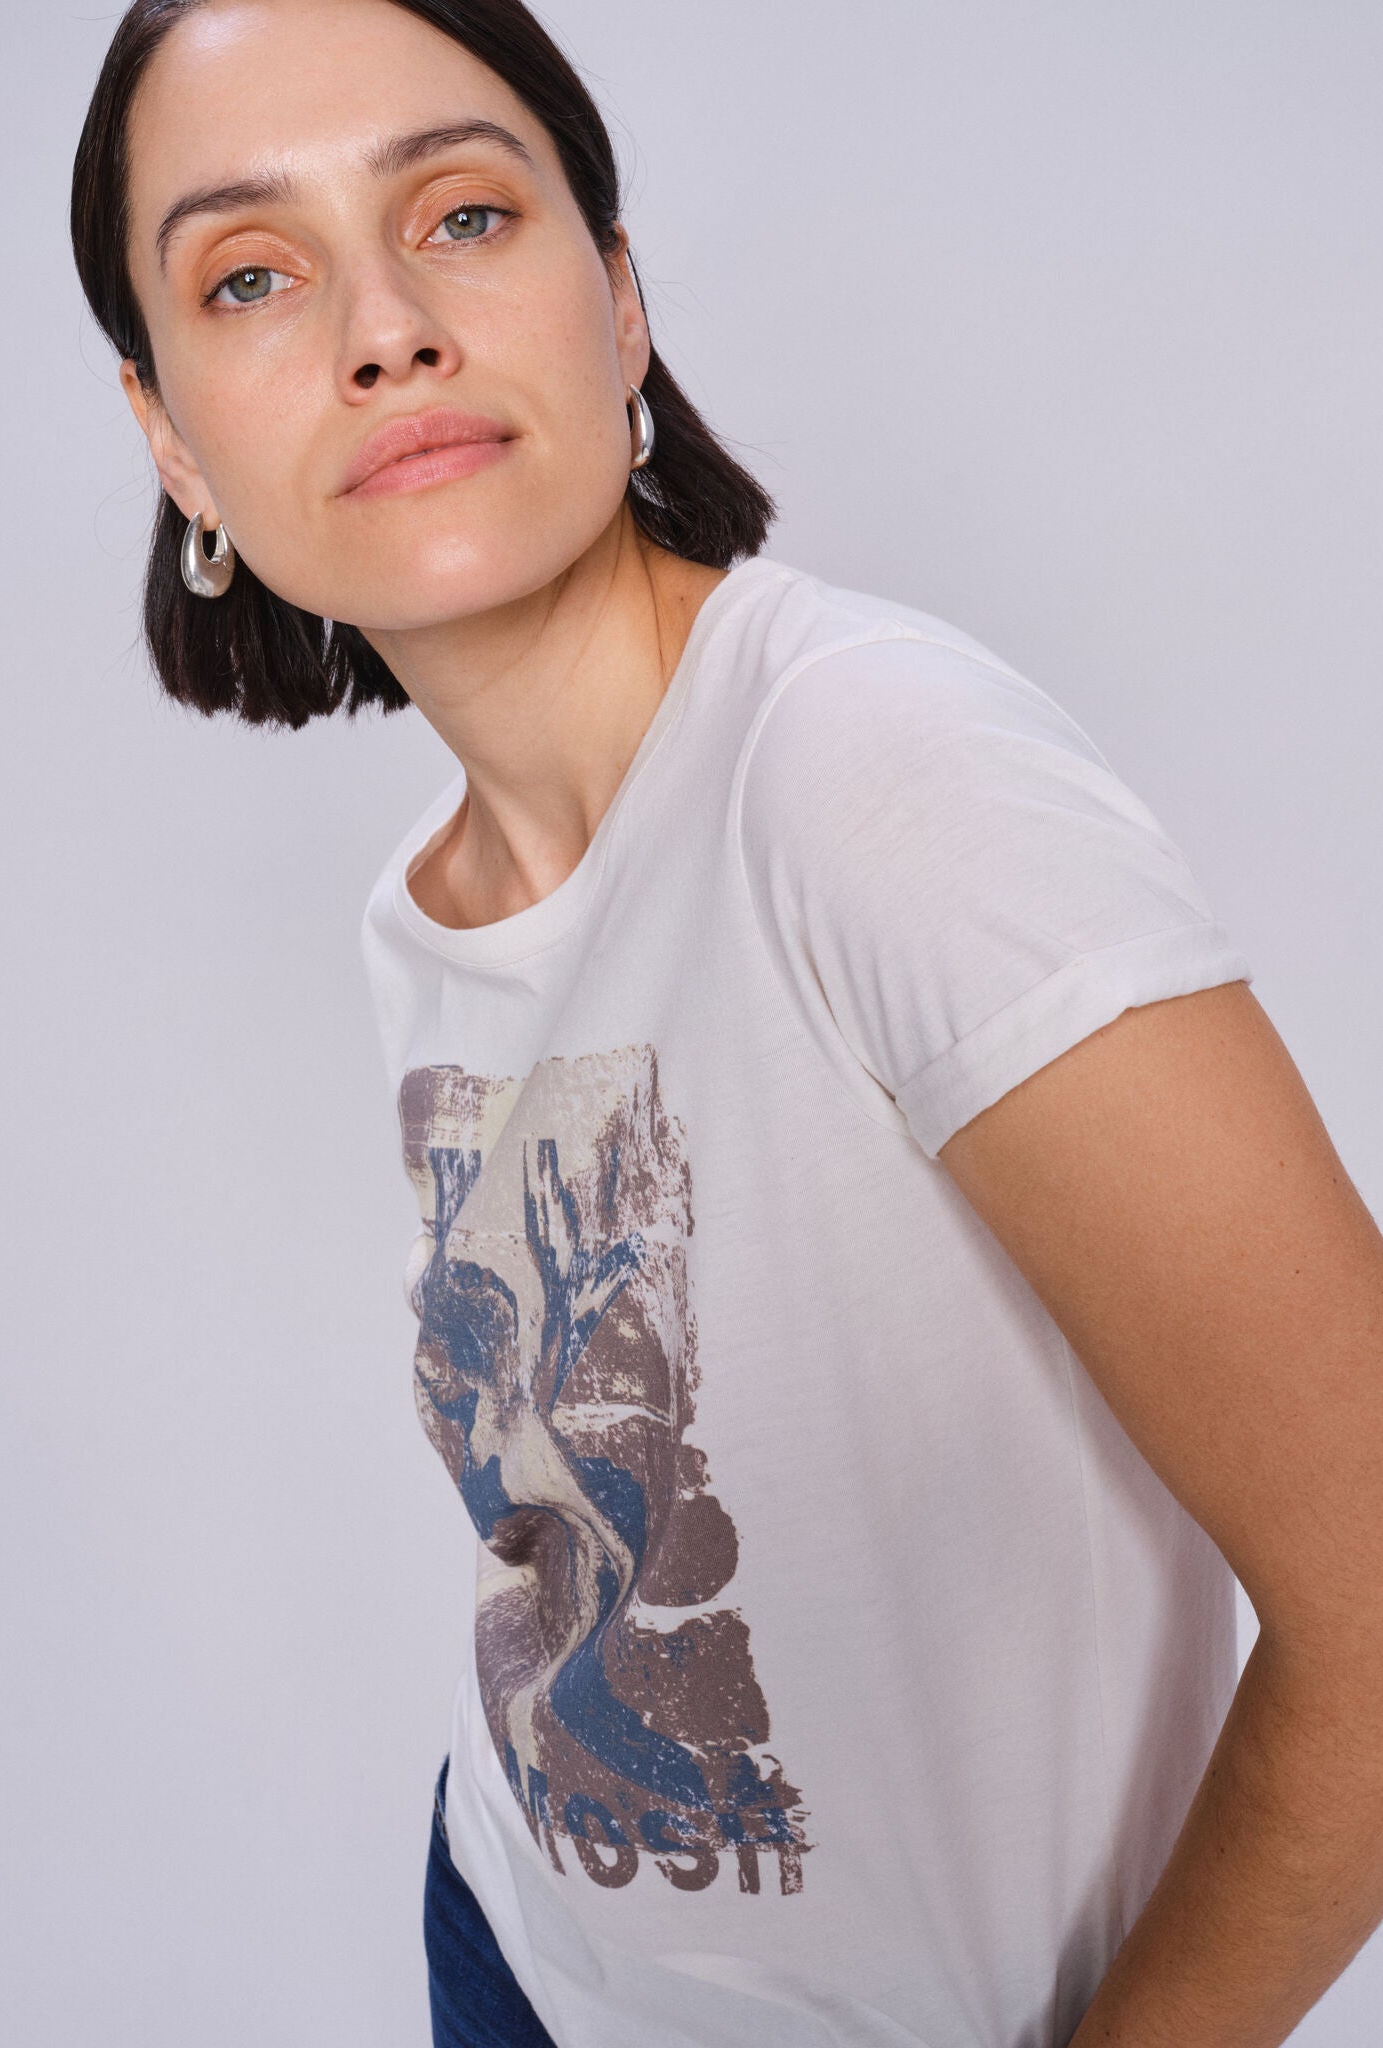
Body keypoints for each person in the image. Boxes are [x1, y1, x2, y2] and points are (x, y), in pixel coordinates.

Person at [70, 3, 1383, 2043]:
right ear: (174, 443)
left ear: (618, 302)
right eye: (252, 275)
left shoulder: (868, 776)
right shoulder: (427, 906)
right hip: (514, 1953)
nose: (386, 328)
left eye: (463, 215)